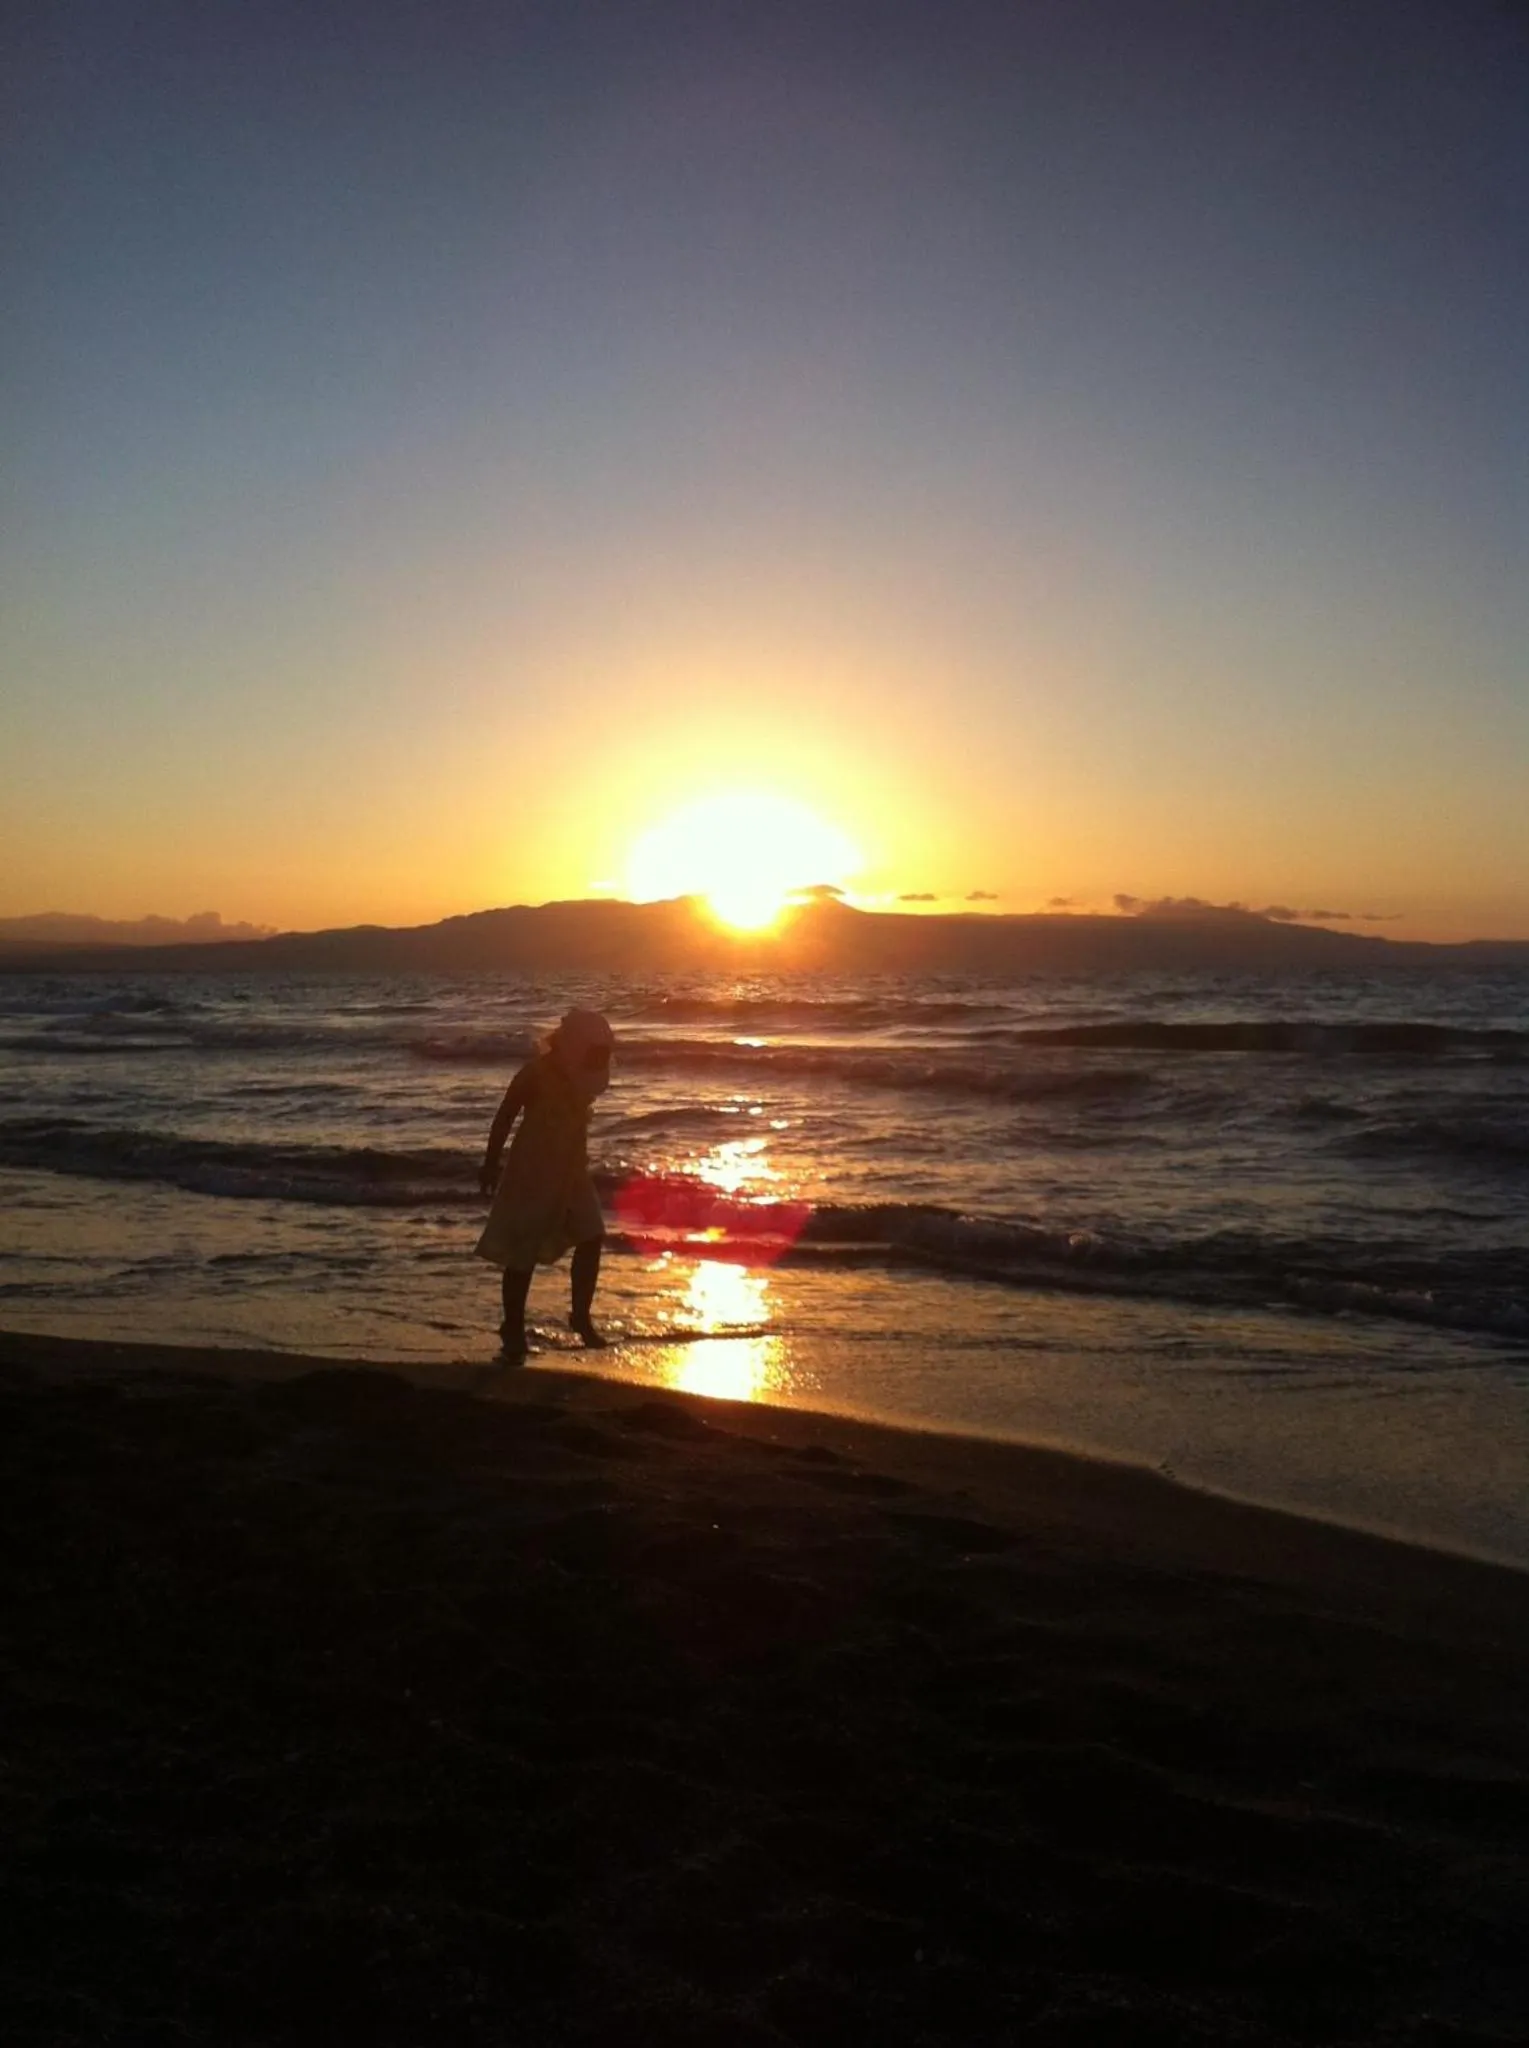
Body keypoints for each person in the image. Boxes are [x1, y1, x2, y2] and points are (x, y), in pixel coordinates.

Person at [476, 1007, 615, 1362]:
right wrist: (491, 1162)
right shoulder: (535, 1073)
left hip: (572, 1169)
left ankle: (580, 1318)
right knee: (522, 1251)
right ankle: (513, 1328)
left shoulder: (582, 1074)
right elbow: (505, 1115)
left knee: (591, 1234)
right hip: (532, 1171)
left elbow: (599, 1073)